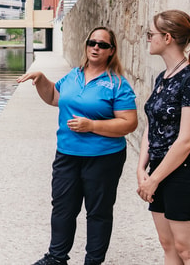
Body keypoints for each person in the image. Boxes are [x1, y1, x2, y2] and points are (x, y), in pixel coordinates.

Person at [18, 27, 138, 265]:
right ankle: (56, 257)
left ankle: (93, 261)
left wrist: (92, 125)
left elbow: (129, 123)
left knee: (98, 212)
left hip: (103, 157)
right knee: (63, 207)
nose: (96, 47)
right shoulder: (73, 75)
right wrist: (41, 78)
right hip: (67, 154)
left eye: (103, 45)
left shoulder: (117, 84)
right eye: (92, 42)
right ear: (86, 45)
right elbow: (54, 97)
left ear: (111, 51)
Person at [136, 10, 190, 265]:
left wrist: (153, 180)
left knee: (187, 249)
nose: (148, 39)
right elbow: (152, 123)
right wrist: (141, 168)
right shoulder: (163, 77)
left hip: (186, 172)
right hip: (159, 170)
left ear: (167, 37)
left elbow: (188, 140)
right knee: (168, 245)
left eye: (151, 34)